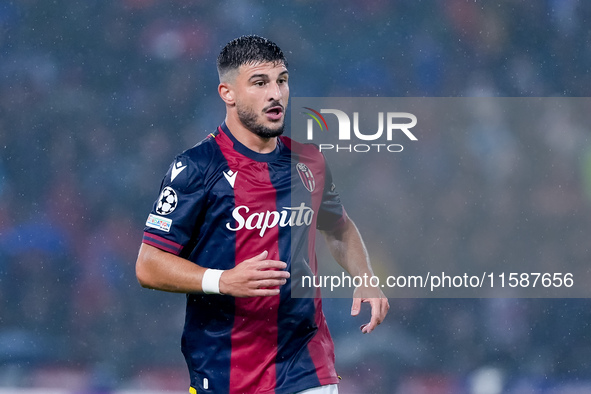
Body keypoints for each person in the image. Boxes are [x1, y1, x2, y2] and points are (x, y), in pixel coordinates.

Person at [135, 35, 389, 394]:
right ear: (228, 93)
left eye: (282, 80)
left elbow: (339, 228)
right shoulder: (196, 168)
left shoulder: (309, 161)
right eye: (260, 83)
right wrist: (222, 281)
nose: (276, 93)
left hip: (306, 366)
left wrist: (364, 275)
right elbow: (148, 264)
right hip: (224, 370)